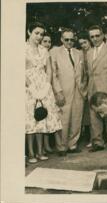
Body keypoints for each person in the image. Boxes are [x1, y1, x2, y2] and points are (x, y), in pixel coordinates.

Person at [26, 22, 62, 163]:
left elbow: (49, 70)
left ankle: (40, 151)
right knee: (30, 120)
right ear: (29, 32)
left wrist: (47, 85)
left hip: (44, 86)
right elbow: (20, 69)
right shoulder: (22, 48)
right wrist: (32, 88)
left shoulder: (44, 50)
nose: (39, 36)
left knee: (42, 118)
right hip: (29, 87)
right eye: (36, 33)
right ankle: (31, 153)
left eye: (41, 34)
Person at [50, 28, 88, 155]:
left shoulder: (79, 53)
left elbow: (84, 73)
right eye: (66, 39)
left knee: (77, 117)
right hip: (63, 91)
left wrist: (84, 88)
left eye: (72, 39)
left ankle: (73, 144)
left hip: (79, 90)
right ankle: (61, 147)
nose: (70, 42)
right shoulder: (55, 52)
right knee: (63, 119)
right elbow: (53, 74)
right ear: (61, 39)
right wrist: (58, 92)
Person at [77, 31, 92, 147]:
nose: (83, 45)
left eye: (85, 42)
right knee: (86, 114)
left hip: (94, 83)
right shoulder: (80, 55)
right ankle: (87, 137)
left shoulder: (94, 52)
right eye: (81, 44)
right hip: (84, 85)